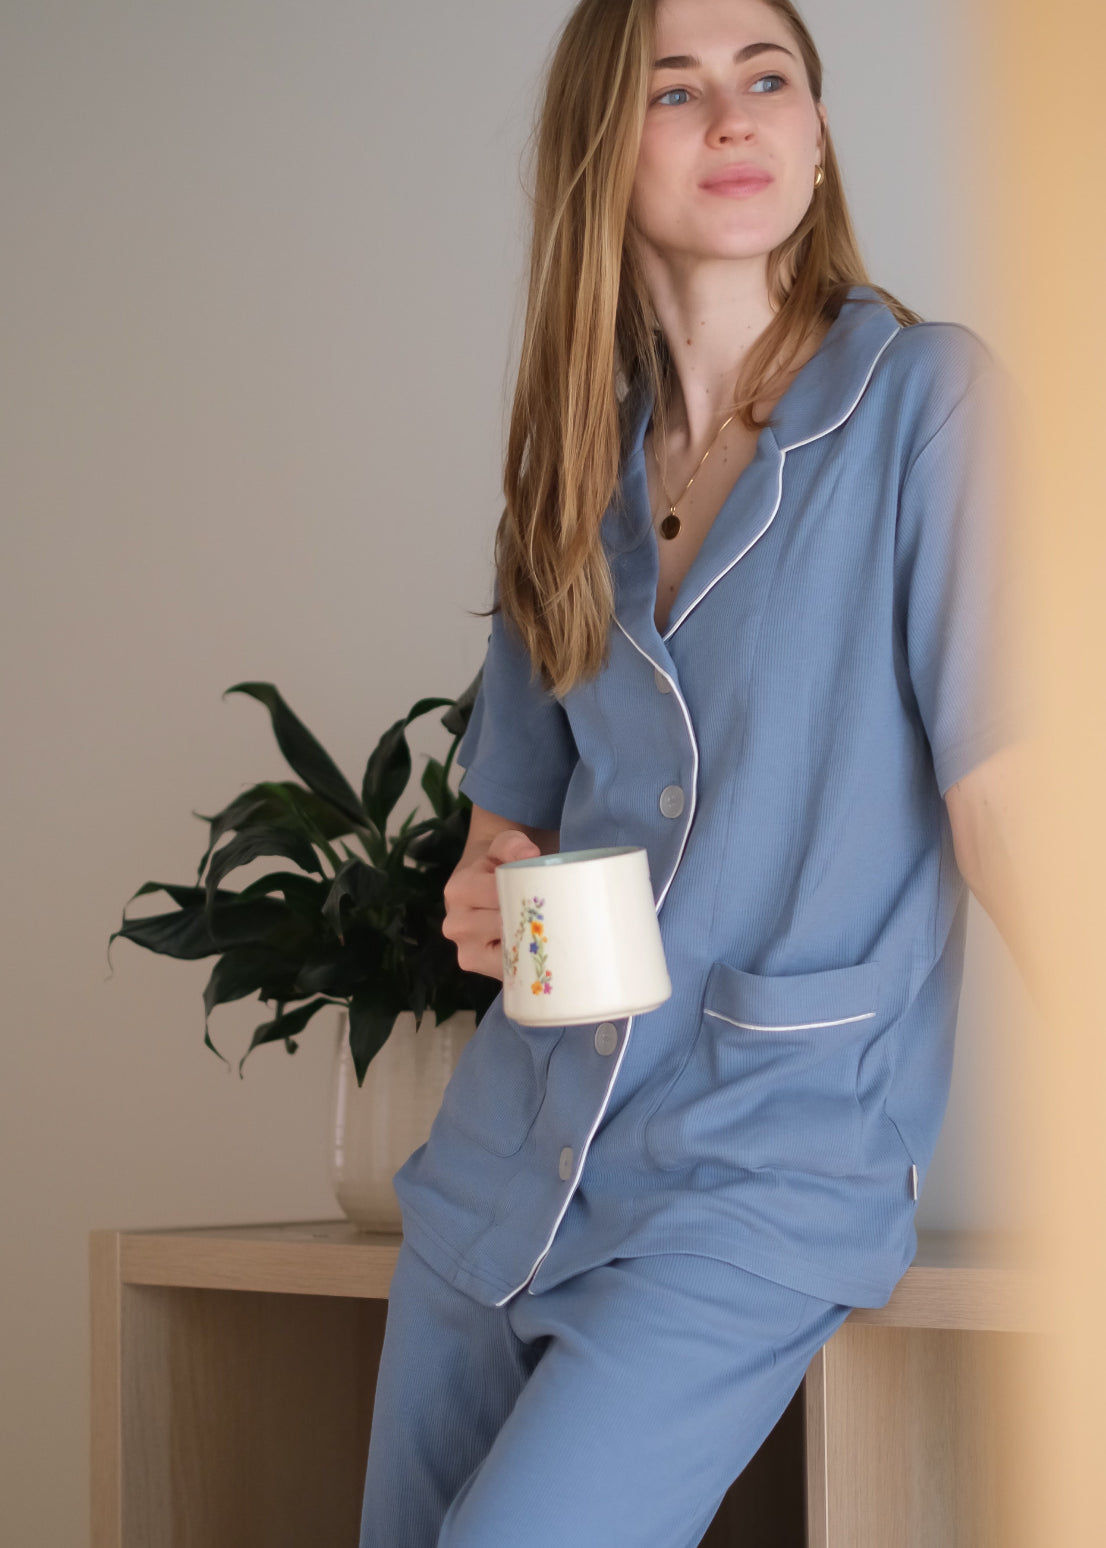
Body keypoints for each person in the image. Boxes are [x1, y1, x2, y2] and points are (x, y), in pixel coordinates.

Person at [359, 0, 1030, 1543]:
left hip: (756, 1178)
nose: (734, 116)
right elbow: (501, 835)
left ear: (812, 132)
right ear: (605, 148)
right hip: (502, 1176)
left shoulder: (927, 405)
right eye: (677, 89)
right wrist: (484, 900)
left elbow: (1009, 812)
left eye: (766, 78)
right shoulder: (571, 469)